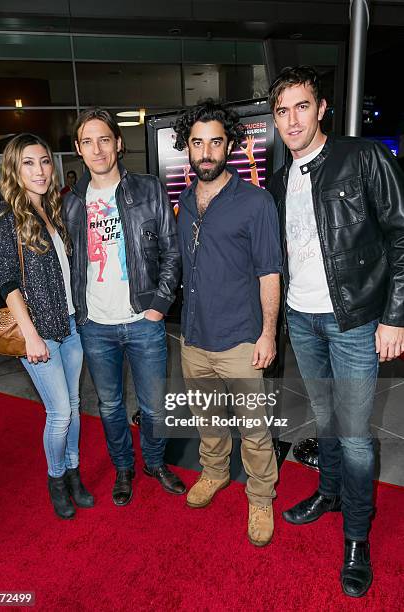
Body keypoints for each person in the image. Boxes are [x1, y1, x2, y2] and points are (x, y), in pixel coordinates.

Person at [267, 66, 404, 597]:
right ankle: (328, 492)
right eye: (282, 111)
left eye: (302, 106)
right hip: (302, 320)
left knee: (354, 436)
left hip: (354, 322)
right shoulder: (279, 182)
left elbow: (400, 236)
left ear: (321, 108)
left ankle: (356, 537)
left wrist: (394, 315)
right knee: (324, 419)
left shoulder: (363, 158)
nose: (292, 119)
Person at [62, 108, 185, 506]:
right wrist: (79, 316)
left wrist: (159, 306)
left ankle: (154, 461)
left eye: (103, 139)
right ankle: (123, 468)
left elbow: (171, 251)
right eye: (87, 141)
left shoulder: (148, 189)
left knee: (153, 405)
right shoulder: (72, 203)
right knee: (110, 405)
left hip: (143, 319)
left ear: (117, 142)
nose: (97, 149)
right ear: (78, 150)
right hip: (95, 325)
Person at [173, 100, 282, 546]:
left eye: (214, 141)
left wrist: (268, 334)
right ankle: (214, 473)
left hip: (241, 340)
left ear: (229, 145)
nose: (205, 151)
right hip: (194, 338)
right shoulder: (183, 200)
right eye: (197, 142)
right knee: (208, 420)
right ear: (188, 148)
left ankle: (260, 496)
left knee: (255, 432)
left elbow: (269, 272)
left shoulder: (255, 203)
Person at [0, 133, 94, 520]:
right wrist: (31, 335)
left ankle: (74, 472)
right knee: (60, 413)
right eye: (30, 163)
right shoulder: (5, 215)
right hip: (39, 332)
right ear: (15, 168)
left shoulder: (54, 208)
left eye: (45, 161)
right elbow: (8, 282)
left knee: (76, 406)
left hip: (70, 325)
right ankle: (57, 479)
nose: (40, 170)